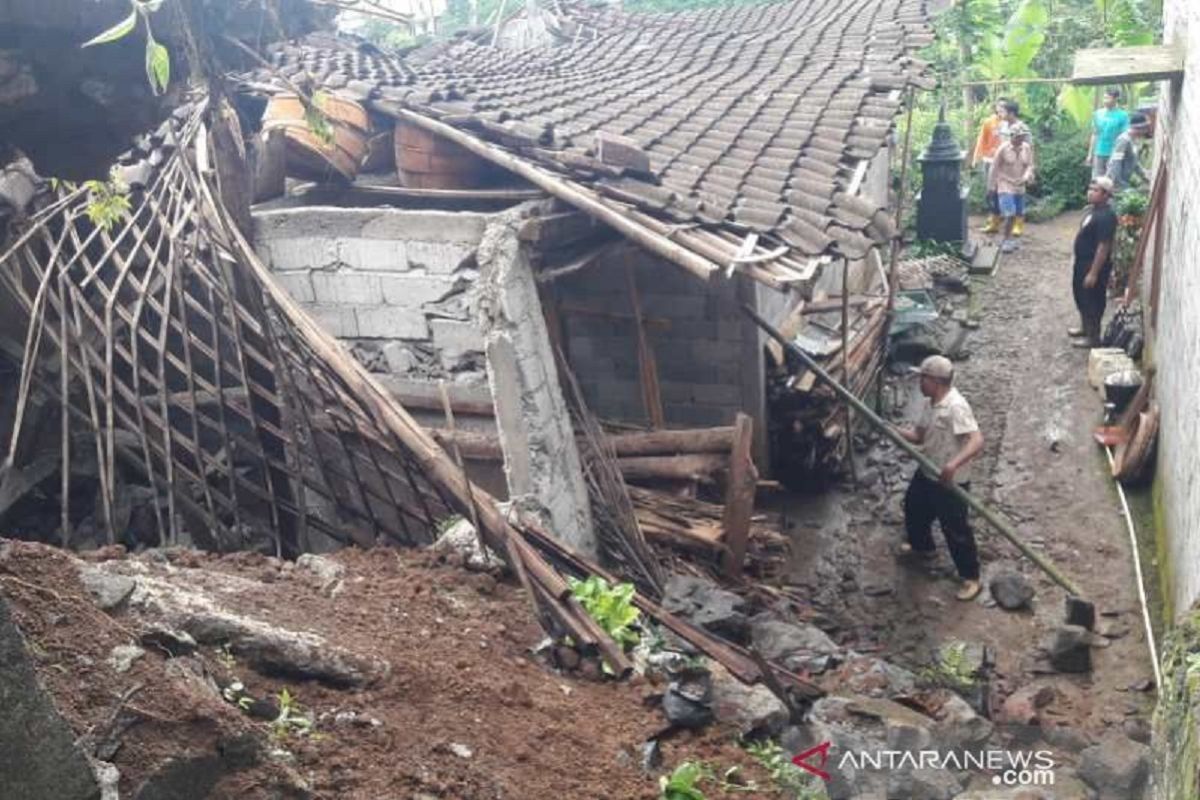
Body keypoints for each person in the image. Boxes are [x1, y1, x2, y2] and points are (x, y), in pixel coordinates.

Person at [894, 356, 986, 602]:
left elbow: (977, 440)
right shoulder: (930, 403)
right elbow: (918, 435)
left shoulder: (956, 406)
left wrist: (953, 464)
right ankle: (923, 548)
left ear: (935, 381)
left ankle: (971, 577)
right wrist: (895, 431)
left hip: (950, 480)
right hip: (927, 471)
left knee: (956, 529)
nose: (919, 383)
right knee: (914, 508)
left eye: (922, 378)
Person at [1069, 176, 1119, 348]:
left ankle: (1093, 337)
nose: (1090, 192)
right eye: (1090, 188)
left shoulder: (1107, 216)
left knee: (1092, 299)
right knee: (1080, 294)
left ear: (1106, 195)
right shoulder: (1093, 210)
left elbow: (1103, 246)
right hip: (1082, 261)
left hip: (1093, 264)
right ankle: (1085, 328)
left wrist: (1093, 272)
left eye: (1095, 190)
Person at [988, 121, 1035, 252]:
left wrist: (1027, 176)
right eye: (1019, 136)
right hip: (1005, 184)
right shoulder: (1003, 149)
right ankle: (1006, 239)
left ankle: (1009, 239)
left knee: (1018, 213)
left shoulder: (1026, 147)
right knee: (1009, 213)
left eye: (1023, 136)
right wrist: (991, 187)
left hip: (1020, 185)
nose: (1021, 138)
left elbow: (1030, 165)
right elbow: (994, 168)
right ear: (1012, 136)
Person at [973, 99, 1015, 234]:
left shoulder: (1011, 124)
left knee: (1007, 191)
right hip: (990, 161)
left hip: (1005, 162)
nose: (1000, 110)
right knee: (991, 192)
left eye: (1003, 108)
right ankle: (994, 222)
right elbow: (981, 139)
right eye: (999, 107)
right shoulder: (988, 122)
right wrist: (976, 156)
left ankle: (1010, 220)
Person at [1088, 88, 1130, 179]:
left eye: (1108, 98)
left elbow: (1125, 136)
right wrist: (1090, 154)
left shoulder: (1123, 115)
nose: (1105, 101)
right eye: (1104, 98)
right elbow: (1095, 134)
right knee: (1096, 181)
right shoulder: (1097, 114)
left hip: (1115, 154)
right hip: (1099, 152)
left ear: (1115, 99)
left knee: (1111, 181)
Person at [1106, 112, 1152, 190]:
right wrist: (1119, 184)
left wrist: (1145, 175)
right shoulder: (1124, 140)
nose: (1146, 131)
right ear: (1140, 128)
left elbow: (1134, 162)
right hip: (1115, 184)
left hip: (1124, 181)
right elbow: (1116, 163)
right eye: (1145, 128)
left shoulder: (1134, 141)